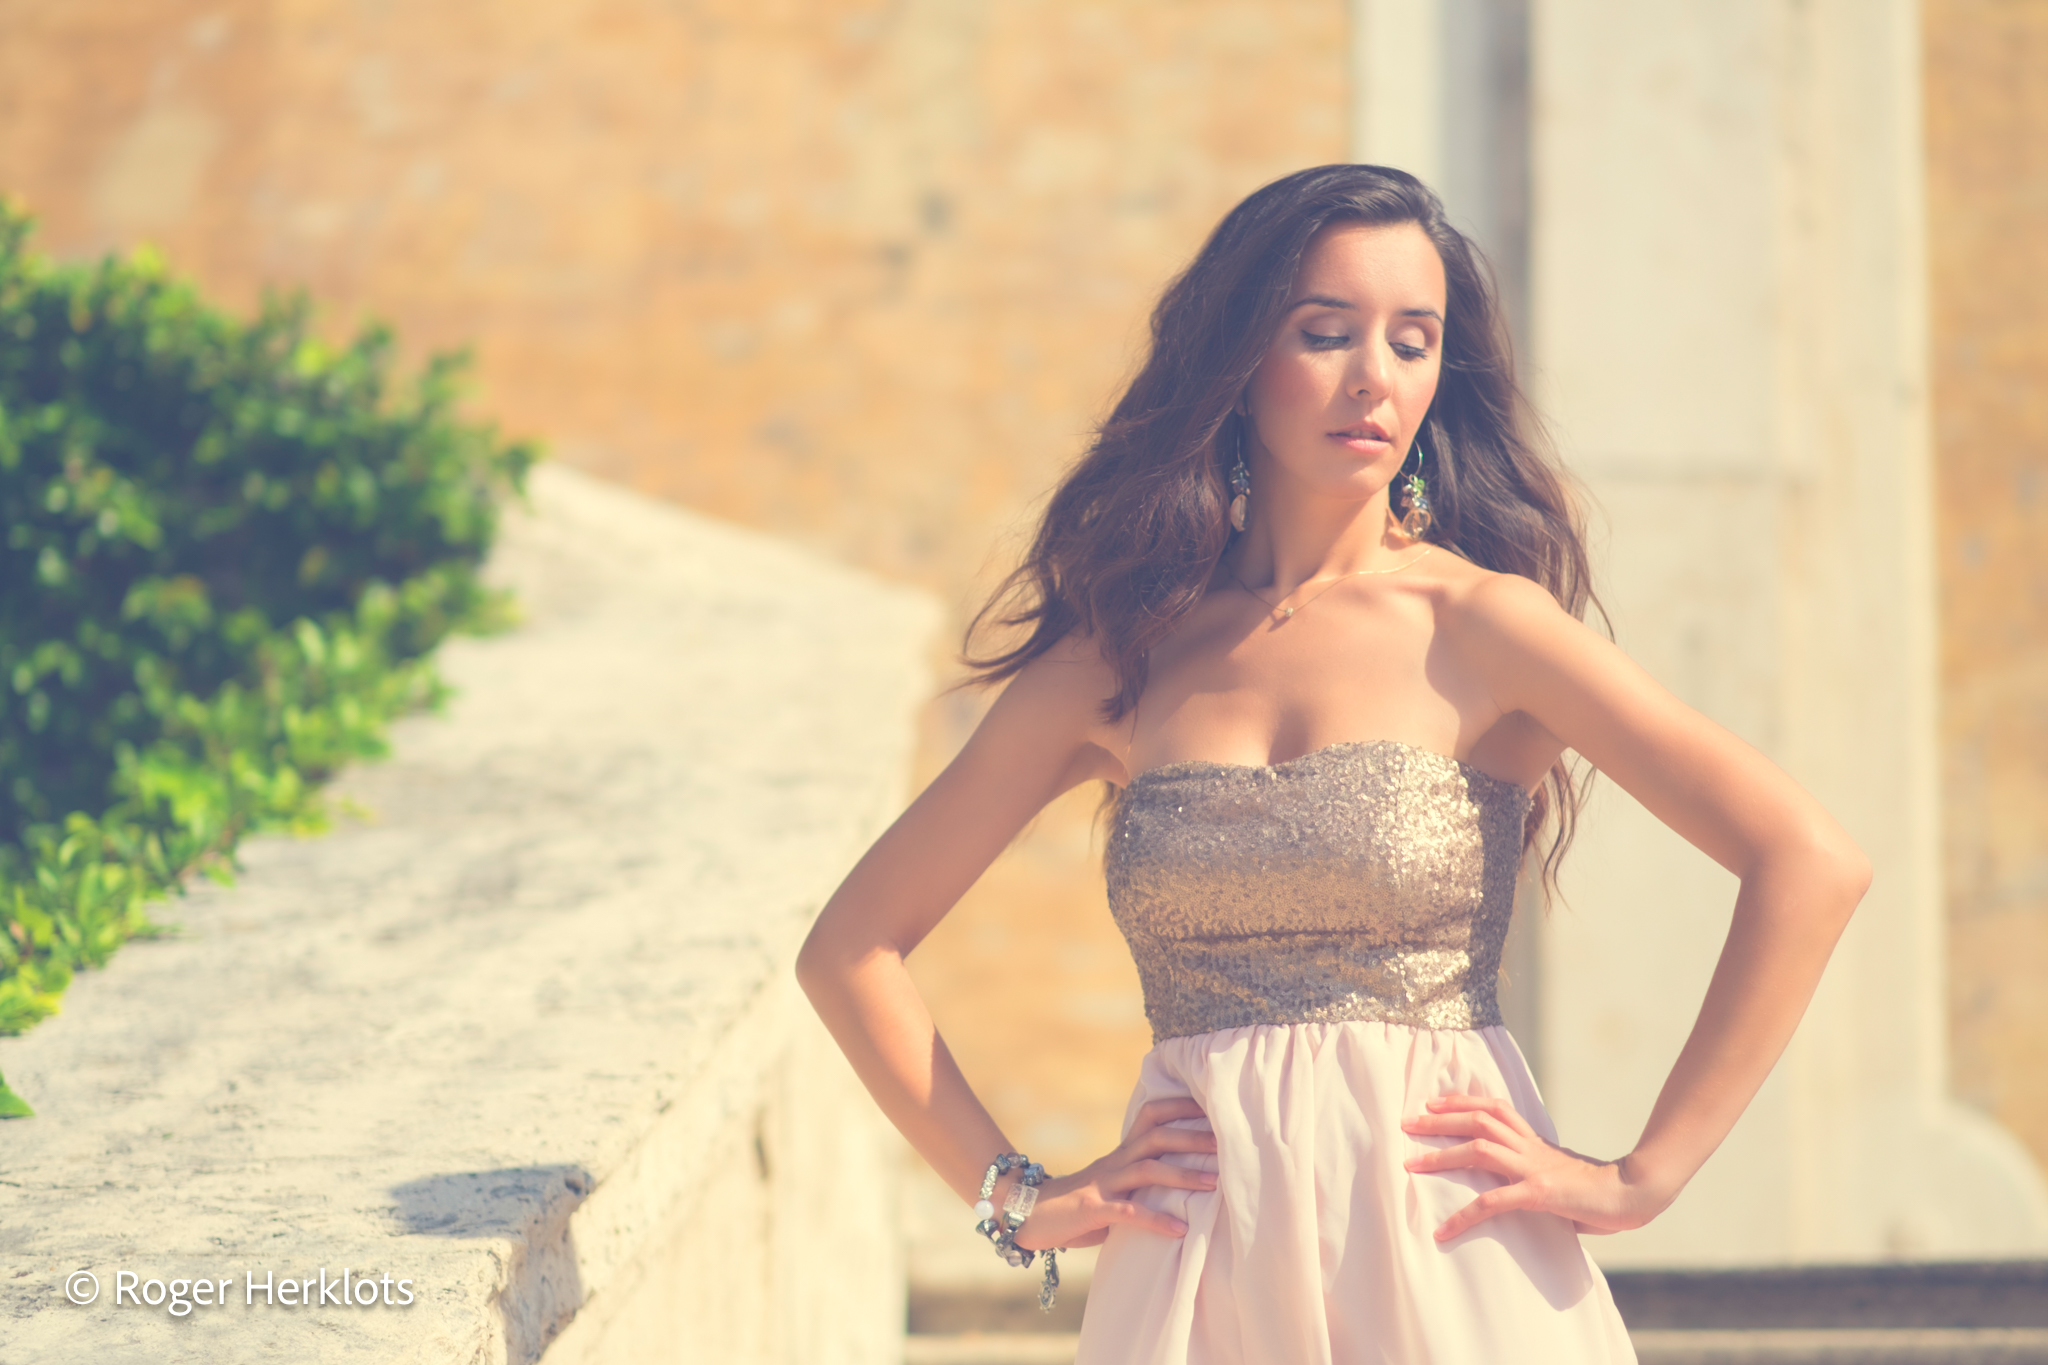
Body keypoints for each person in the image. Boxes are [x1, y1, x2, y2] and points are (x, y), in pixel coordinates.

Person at [795, 164, 1872, 1363]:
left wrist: (1641, 1175)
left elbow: (1805, 862)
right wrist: (1014, 1198)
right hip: (1195, 1256)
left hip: (1445, 1239)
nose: (1374, 378)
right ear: (1237, 361)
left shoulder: (1483, 625)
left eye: (1412, 343)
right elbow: (850, 948)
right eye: (1325, 334)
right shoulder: (1122, 658)